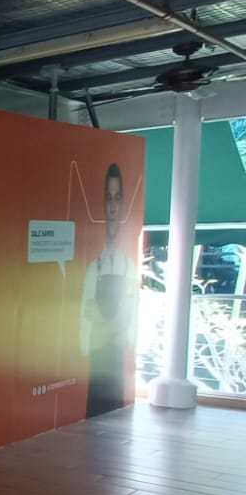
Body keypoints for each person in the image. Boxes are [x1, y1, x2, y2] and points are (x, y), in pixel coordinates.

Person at [80, 164, 137, 416]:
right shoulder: (93, 269)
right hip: (96, 378)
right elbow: (87, 341)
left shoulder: (130, 269)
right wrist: (114, 324)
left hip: (116, 376)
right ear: (103, 204)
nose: (113, 207)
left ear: (123, 205)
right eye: (108, 198)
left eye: (118, 198)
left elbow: (127, 334)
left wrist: (101, 322)